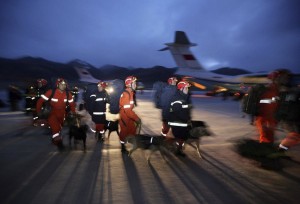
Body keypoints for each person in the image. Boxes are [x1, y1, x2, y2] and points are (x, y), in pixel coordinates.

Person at [36, 78, 76, 150]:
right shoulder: (51, 92)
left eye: (64, 85)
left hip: (62, 114)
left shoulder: (68, 94)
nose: (63, 86)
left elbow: (72, 105)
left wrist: (73, 113)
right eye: (61, 84)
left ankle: (55, 140)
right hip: (52, 113)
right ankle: (59, 143)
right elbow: (40, 101)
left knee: (59, 128)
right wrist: (38, 111)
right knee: (55, 128)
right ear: (57, 85)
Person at [255, 69, 291, 144]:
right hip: (265, 117)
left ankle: (267, 148)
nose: (286, 80)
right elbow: (262, 101)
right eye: (283, 78)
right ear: (276, 79)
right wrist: (275, 101)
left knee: (269, 137)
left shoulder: (278, 89)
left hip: (271, 118)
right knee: (266, 138)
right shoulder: (270, 88)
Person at [168, 80, 192, 157]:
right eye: (186, 88)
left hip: (181, 122)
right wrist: (187, 119)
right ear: (181, 89)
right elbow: (178, 112)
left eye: (188, 88)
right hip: (177, 122)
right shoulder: (178, 98)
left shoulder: (183, 97)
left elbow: (185, 110)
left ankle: (177, 149)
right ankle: (175, 149)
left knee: (182, 137)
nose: (187, 90)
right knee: (179, 137)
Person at [119, 76, 141, 153]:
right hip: (124, 117)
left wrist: (135, 117)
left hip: (129, 116)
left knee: (132, 129)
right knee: (124, 132)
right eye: (134, 83)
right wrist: (136, 118)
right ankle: (122, 146)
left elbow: (130, 109)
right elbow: (127, 110)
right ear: (129, 84)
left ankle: (130, 141)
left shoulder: (131, 93)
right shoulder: (126, 94)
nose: (136, 85)